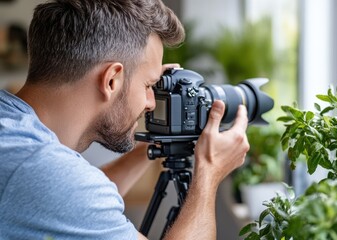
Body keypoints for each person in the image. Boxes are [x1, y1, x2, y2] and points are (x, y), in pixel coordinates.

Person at [0, 0, 250, 239]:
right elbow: (66, 190)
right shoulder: (42, 169)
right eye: (149, 85)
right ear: (111, 80)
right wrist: (208, 170)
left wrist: (151, 144)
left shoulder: (15, 134)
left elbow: (72, 203)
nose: (152, 102)